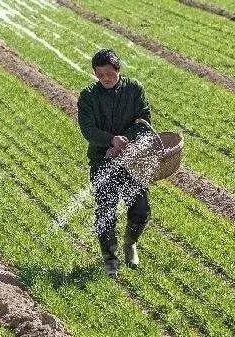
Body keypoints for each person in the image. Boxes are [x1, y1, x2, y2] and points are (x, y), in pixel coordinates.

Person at [77, 49, 152, 277]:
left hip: (132, 160)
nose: (106, 78)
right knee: (106, 213)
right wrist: (110, 140)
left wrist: (126, 140)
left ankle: (130, 244)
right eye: (100, 75)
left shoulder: (134, 90)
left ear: (118, 69)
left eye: (109, 73)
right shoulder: (88, 96)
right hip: (103, 161)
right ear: (95, 74)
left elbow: (144, 120)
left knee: (141, 209)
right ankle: (110, 258)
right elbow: (88, 130)